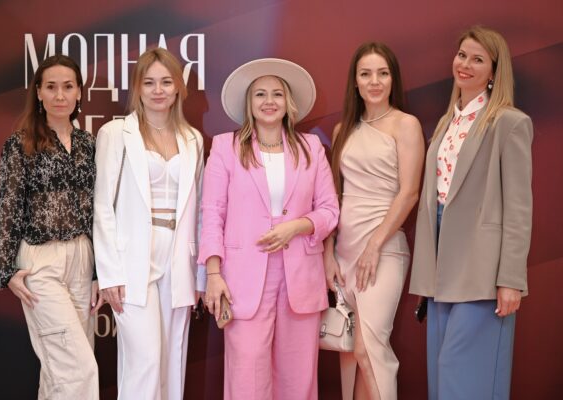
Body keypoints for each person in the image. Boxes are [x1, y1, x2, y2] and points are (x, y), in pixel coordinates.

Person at [199, 58, 339, 399]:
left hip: (300, 275)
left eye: (277, 93)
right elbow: (212, 212)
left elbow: (330, 210)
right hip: (242, 277)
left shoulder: (311, 147)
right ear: (249, 103)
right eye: (260, 94)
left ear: (288, 102)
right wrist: (213, 273)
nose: (269, 101)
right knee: (246, 374)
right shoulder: (225, 147)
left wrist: (298, 226)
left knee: (298, 377)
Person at [409, 26, 533, 400]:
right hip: (440, 267)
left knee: (462, 375)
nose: (465, 64)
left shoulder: (509, 123)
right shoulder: (446, 123)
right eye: (462, 55)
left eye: (478, 59)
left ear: (494, 71)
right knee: (442, 378)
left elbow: (519, 208)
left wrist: (510, 279)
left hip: (481, 268)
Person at [93, 48, 204, 400]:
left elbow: (199, 208)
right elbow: (103, 205)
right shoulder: (115, 133)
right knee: (146, 362)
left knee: (172, 359)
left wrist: (200, 273)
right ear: (137, 88)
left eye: (166, 82)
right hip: (132, 259)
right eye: (149, 82)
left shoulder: (193, 139)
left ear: (178, 88)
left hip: (178, 257)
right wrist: (109, 273)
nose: (158, 90)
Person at [0, 54, 101, 399]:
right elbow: (8, 208)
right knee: (77, 370)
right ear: (38, 92)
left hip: (82, 258)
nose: (59, 95)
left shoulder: (88, 144)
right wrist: (6, 270)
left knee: (59, 373)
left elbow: (96, 211)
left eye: (68, 87)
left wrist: (98, 273)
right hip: (40, 262)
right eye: (51, 87)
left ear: (79, 92)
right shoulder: (19, 144)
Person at [324, 43, 424, 399]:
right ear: (355, 81)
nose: (374, 81)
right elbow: (333, 198)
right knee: (352, 353)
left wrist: (374, 245)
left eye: (382, 73)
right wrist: (328, 252)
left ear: (393, 78)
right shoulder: (342, 130)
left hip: (383, 249)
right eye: (366, 74)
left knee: (371, 350)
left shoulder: (406, 125)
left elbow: (409, 193)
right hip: (345, 254)